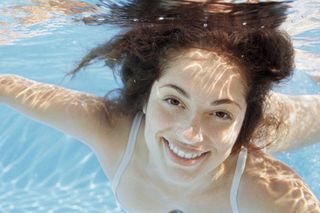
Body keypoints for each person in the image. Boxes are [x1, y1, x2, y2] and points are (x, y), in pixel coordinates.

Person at [0, 0, 319, 212]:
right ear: (145, 93)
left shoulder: (268, 189)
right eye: (173, 100)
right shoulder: (111, 129)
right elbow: (10, 87)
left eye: (220, 113)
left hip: (261, 127)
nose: (190, 135)